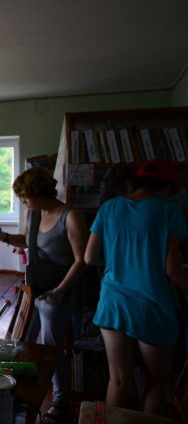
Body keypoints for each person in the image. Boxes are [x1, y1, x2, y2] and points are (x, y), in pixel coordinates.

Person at [84, 159, 188, 415]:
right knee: (157, 382)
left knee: (118, 380)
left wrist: (118, 260)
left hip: (113, 303)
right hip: (151, 306)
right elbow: (173, 269)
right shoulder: (170, 211)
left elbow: (88, 257)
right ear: (167, 187)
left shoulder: (109, 207)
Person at [0, 166, 88, 424]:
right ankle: (22, 392)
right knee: (23, 342)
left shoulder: (70, 216)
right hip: (34, 287)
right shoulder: (32, 213)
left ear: (41, 192)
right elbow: (26, 241)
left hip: (59, 289)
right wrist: (2, 236)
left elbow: (81, 261)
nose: (22, 201)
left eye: (25, 196)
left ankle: (60, 402)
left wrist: (59, 292)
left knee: (52, 348)